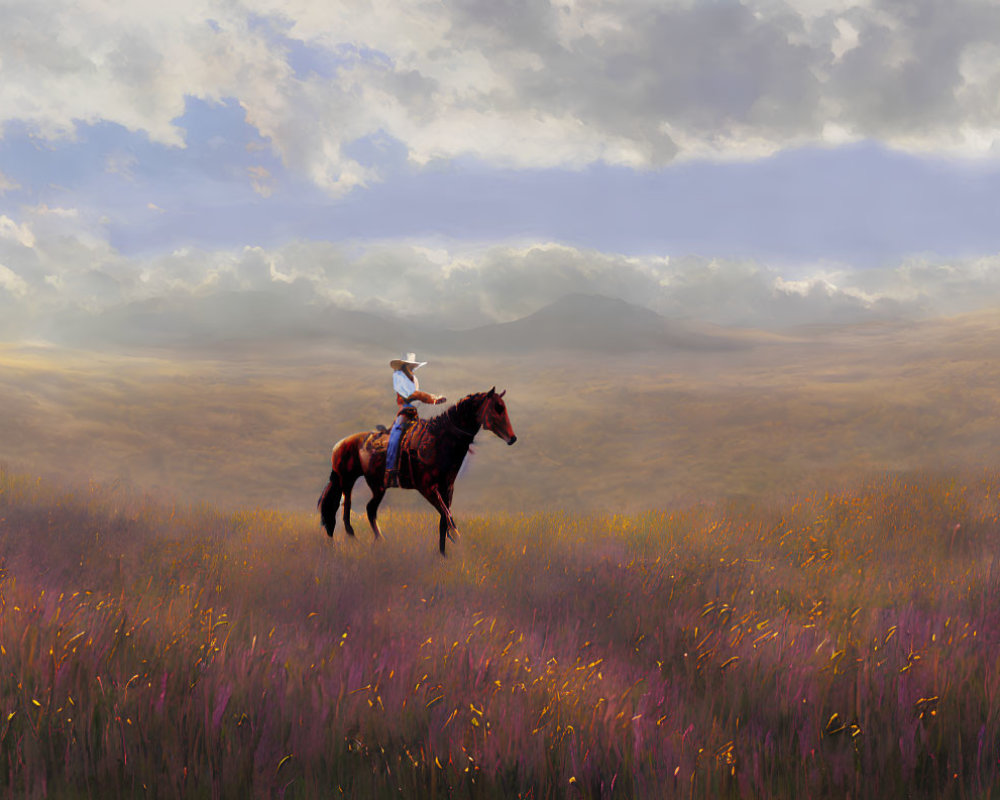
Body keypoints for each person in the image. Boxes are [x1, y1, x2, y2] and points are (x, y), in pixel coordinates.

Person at [384, 352, 446, 488]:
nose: (411, 368)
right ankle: (391, 472)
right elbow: (410, 394)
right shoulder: (398, 376)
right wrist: (432, 398)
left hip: (414, 411)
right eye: (409, 365)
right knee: (396, 434)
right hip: (405, 410)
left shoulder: (413, 378)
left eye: (412, 366)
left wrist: (430, 399)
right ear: (405, 365)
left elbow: (416, 394)